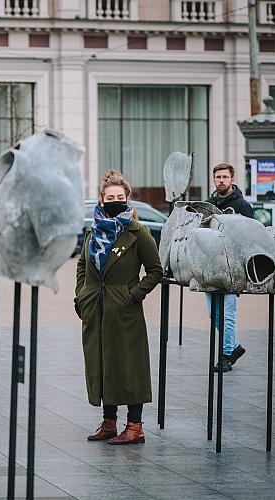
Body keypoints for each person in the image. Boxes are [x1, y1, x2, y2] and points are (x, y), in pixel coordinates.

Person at [75, 170, 163, 445]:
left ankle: (135, 426)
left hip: (124, 311)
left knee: (129, 366)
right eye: (110, 197)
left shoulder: (138, 232)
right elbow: (81, 266)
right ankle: (109, 422)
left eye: (120, 197)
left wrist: (133, 295)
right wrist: (82, 295)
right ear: (101, 200)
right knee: (102, 364)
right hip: (95, 309)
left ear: (127, 199)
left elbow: (155, 270)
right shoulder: (92, 231)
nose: (115, 200)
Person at [205, 162, 252, 373]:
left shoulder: (243, 206)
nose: (221, 180)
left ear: (233, 179)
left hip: (232, 270)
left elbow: (250, 242)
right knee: (213, 314)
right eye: (218, 177)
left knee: (227, 315)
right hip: (210, 269)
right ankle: (234, 347)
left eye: (225, 177)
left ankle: (225, 356)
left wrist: (245, 274)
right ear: (214, 180)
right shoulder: (207, 205)